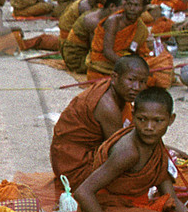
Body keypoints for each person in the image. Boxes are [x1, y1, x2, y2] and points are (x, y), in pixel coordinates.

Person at [75, 87, 183, 212]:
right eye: (142, 119)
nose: (149, 127)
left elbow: (171, 197)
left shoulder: (157, 146)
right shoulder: (128, 152)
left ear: (171, 119)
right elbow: (83, 192)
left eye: (158, 121)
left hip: (130, 211)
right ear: (133, 115)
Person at [50, 55, 149, 191]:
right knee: (141, 173)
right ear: (114, 77)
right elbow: (121, 151)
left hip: (83, 154)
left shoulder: (115, 92)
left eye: (142, 82)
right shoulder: (108, 106)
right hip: (74, 167)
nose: (137, 87)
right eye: (131, 80)